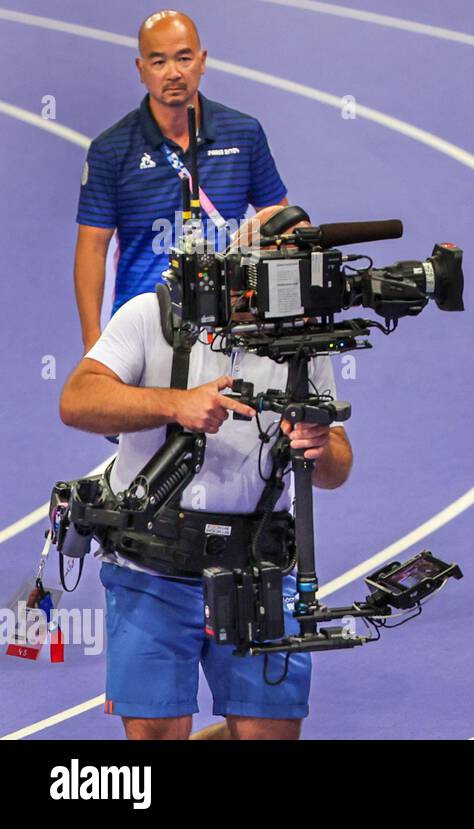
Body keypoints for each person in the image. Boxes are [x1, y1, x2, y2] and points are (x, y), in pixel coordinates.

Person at [58, 205, 351, 740]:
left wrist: (318, 447)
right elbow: (77, 400)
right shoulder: (152, 315)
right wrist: (175, 405)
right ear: (240, 263)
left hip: (257, 570)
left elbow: (336, 466)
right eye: (276, 267)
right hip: (151, 572)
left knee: (268, 733)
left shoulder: (304, 339)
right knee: (154, 735)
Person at [74, 9, 288, 354]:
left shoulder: (245, 134)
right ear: (141, 70)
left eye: (184, 58)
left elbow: (280, 221)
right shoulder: (110, 150)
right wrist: (92, 341)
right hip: (141, 326)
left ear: (202, 61)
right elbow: (92, 247)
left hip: (229, 323)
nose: (173, 73)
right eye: (158, 62)